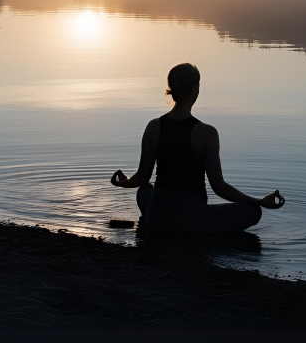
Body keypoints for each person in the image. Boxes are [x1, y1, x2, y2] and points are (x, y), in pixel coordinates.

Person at [111, 62, 286, 234]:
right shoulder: (207, 133)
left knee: (145, 190)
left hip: (158, 220)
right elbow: (219, 187)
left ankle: (155, 223)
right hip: (194, 223)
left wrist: (123, 182)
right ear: (196, 88)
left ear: (171, 89)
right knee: (253, 211)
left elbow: (142, 177)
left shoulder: (153, 127)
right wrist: (260, 201)